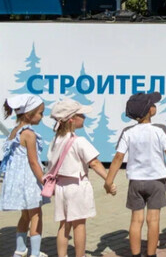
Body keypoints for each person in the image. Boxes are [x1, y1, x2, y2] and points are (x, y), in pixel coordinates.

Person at [104, 92, 166, 257]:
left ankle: (135, 254)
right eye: (153, 104)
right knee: (153, 219)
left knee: (136, 220)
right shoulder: (160, 130)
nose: (155, 106)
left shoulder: (127, 132)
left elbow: (118, 158)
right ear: (150, 110)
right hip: (156, 181)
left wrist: (108, 181)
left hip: (135, 182)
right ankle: (151, 254)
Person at [47, 99, 116, 257]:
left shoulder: (55, 140)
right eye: (81, 114)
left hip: (61, 187)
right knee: (79, 225)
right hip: (77, 186)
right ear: (72, 119)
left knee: (64, 225)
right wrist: (108, 180)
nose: (84, 117)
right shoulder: (79, 141)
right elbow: (94, 162)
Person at [0, 95, 49, 257]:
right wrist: (44, 180)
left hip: (18, 181)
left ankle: (20, 250)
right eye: (40, 113)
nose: (42, 116)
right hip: (29, 181)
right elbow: (33, 162)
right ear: (28, 114)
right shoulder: (29, 134)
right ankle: (35, 253)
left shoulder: (15, 132)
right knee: (36, 215)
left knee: (25, 215)